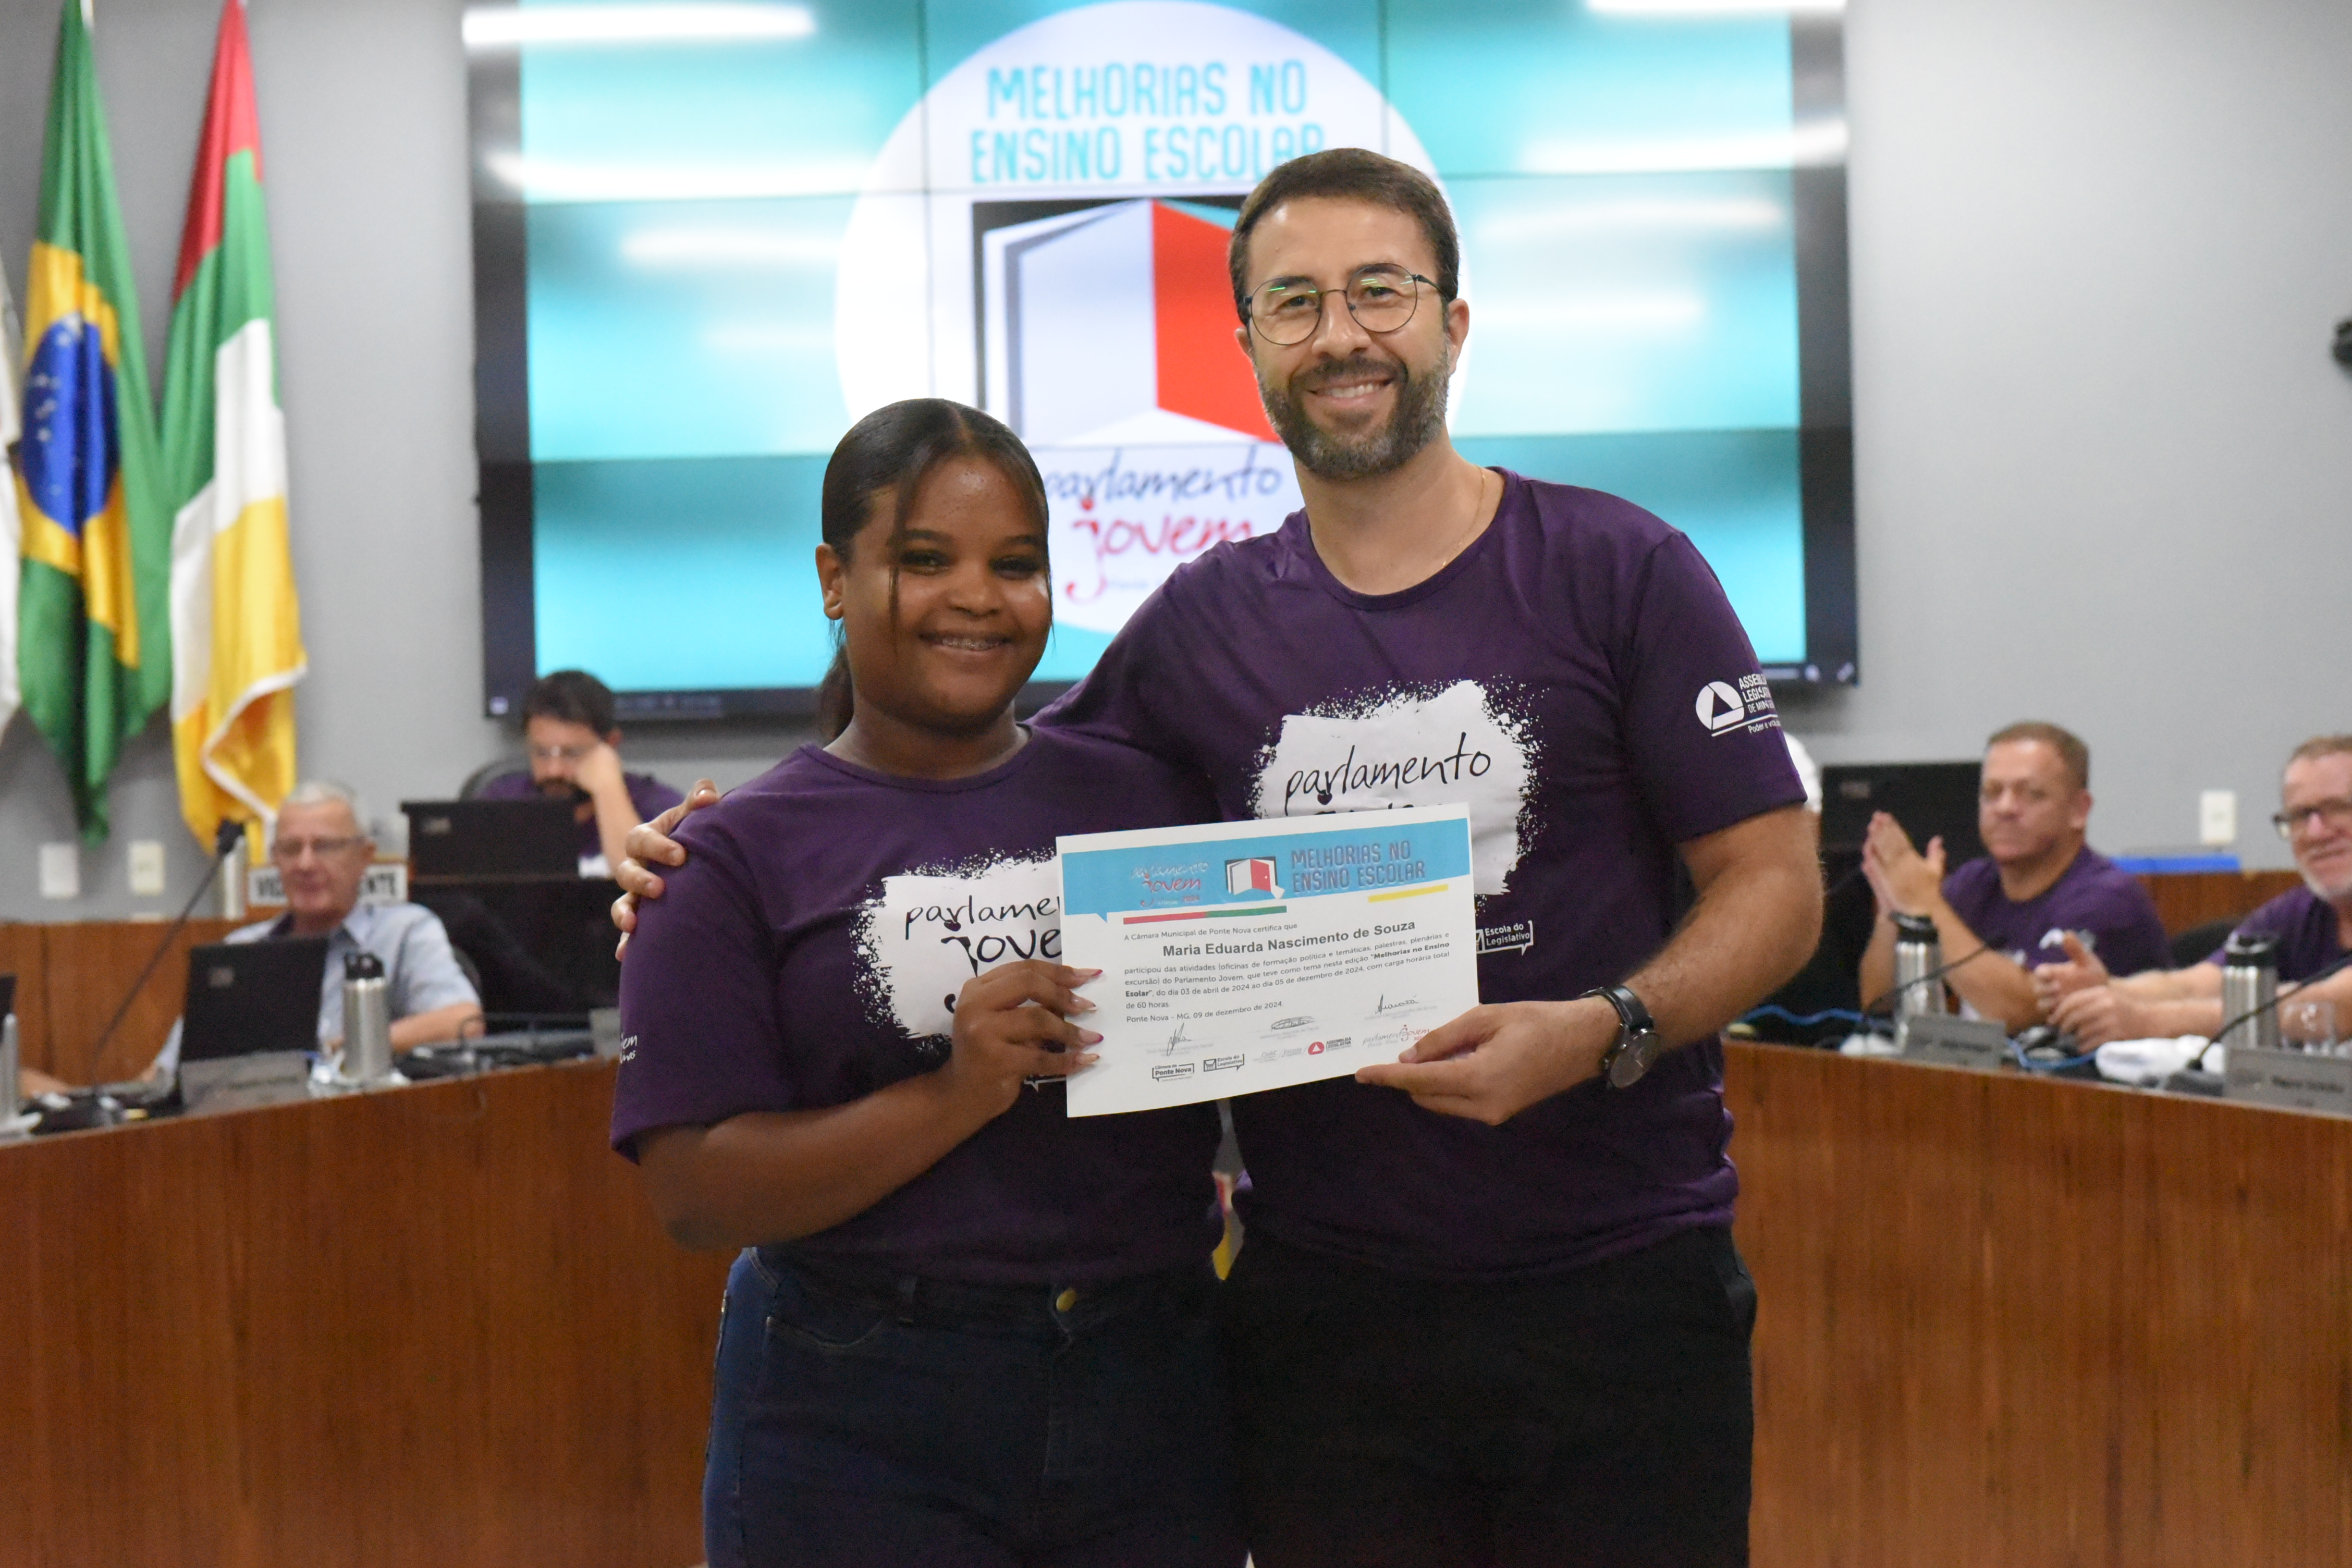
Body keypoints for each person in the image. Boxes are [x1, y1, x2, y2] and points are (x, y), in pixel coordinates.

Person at [619, 149, 1821, 1567]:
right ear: (1247, 343)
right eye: (1295, 301)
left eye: (1380, 290)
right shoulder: (1200, 626)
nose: (1341, 333)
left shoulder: (1621, 568)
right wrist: (710, 856)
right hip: (1326, 1316)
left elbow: (1776, 884)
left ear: (1452, 321)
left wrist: (1602, 1027)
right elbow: (965, 761)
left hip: (1618, 1286)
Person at [611, 399, 1241, 1568]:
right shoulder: (726, 859)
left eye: (1015, 564)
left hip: (1155, 1386)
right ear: (834, 579)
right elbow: (693, 1195)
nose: (977, 596)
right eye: (924, 558)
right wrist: (956, 1093)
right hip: (858, 1411)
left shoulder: (1150, 800)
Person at [2037, 734, 2352, 1048]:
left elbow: (2330, 1009)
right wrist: (2108, 989)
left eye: (2338, 808)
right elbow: (2197, 985)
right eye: (2300, 816)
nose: (2315, 833)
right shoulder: (2298, 911)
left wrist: (2148, 1022)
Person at [151, 781, 483, 1078]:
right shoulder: (241, 950)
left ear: (365, 856)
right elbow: (166, 1072)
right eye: (291, 849)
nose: (305, 864)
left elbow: (462, 1022)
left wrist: (353, 1046)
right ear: (275, 859)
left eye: (324, 847)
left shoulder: (404, 932)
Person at [1856, 721, 2169, 1028]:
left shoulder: (2107, 898)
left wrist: (1925, 903)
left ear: (2079, 810)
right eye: (1991, 793)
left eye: (2032, 794)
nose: (2005, 808)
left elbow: (2021, 1012)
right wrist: (1896, 907)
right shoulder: (1972, 885)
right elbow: (1880, 1001)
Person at [477, 669, 684, 874]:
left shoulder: (659, 809)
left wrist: (608, 789)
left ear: (610, 744)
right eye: (542, 753)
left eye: (571, 753)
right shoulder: (501, 802)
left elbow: (640, 881)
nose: (554, 770)